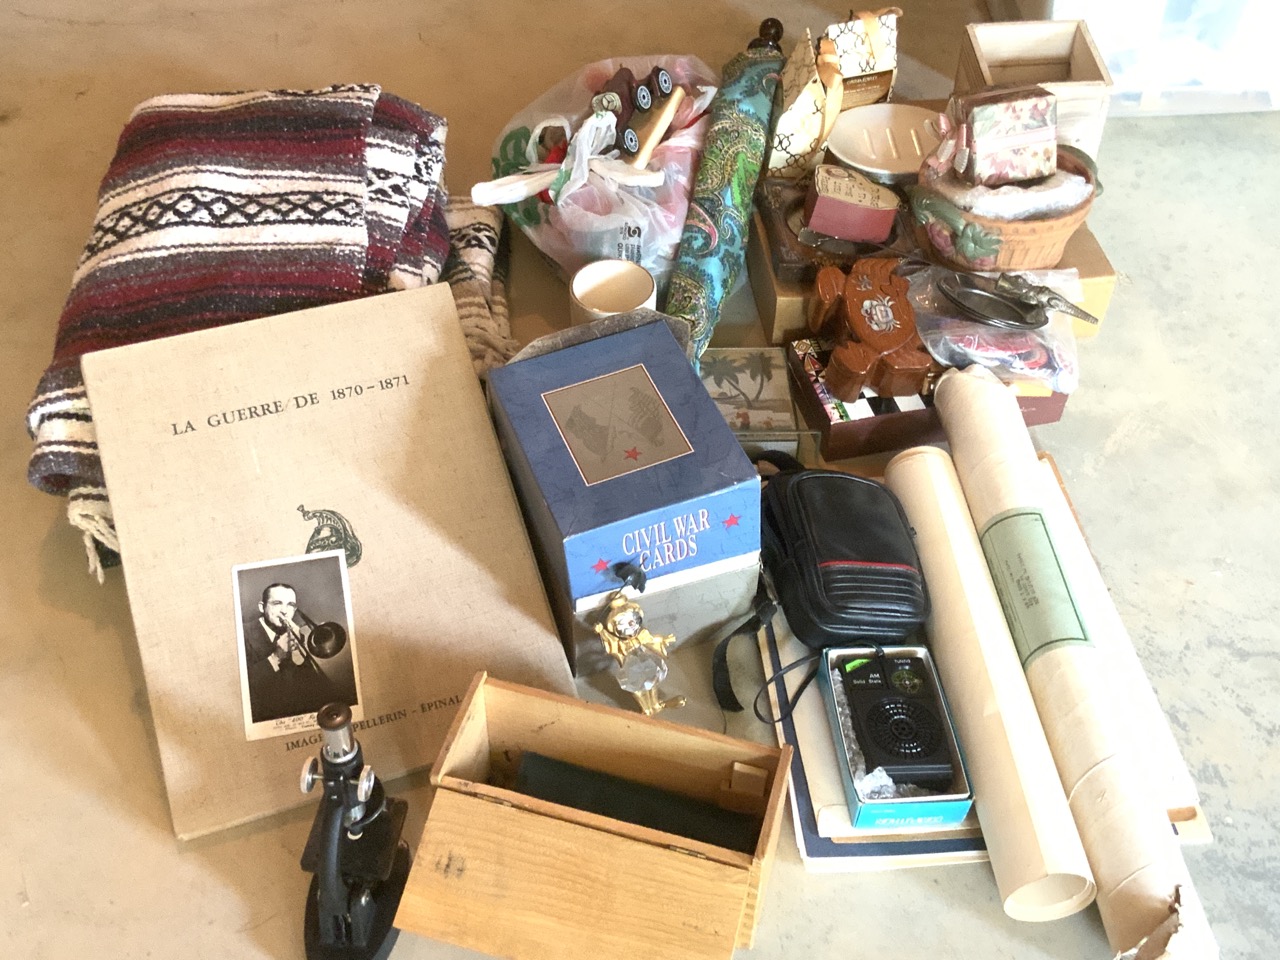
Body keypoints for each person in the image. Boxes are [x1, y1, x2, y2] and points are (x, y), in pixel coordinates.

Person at [243, 582, 342, 723]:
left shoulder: (297, 634)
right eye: (277, 603)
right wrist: (276, 657)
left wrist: (300, 654)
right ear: (262, 607)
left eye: (290, 605)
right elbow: (244, 689)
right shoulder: (243, 634)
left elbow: (311, 691)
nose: (285, 611)